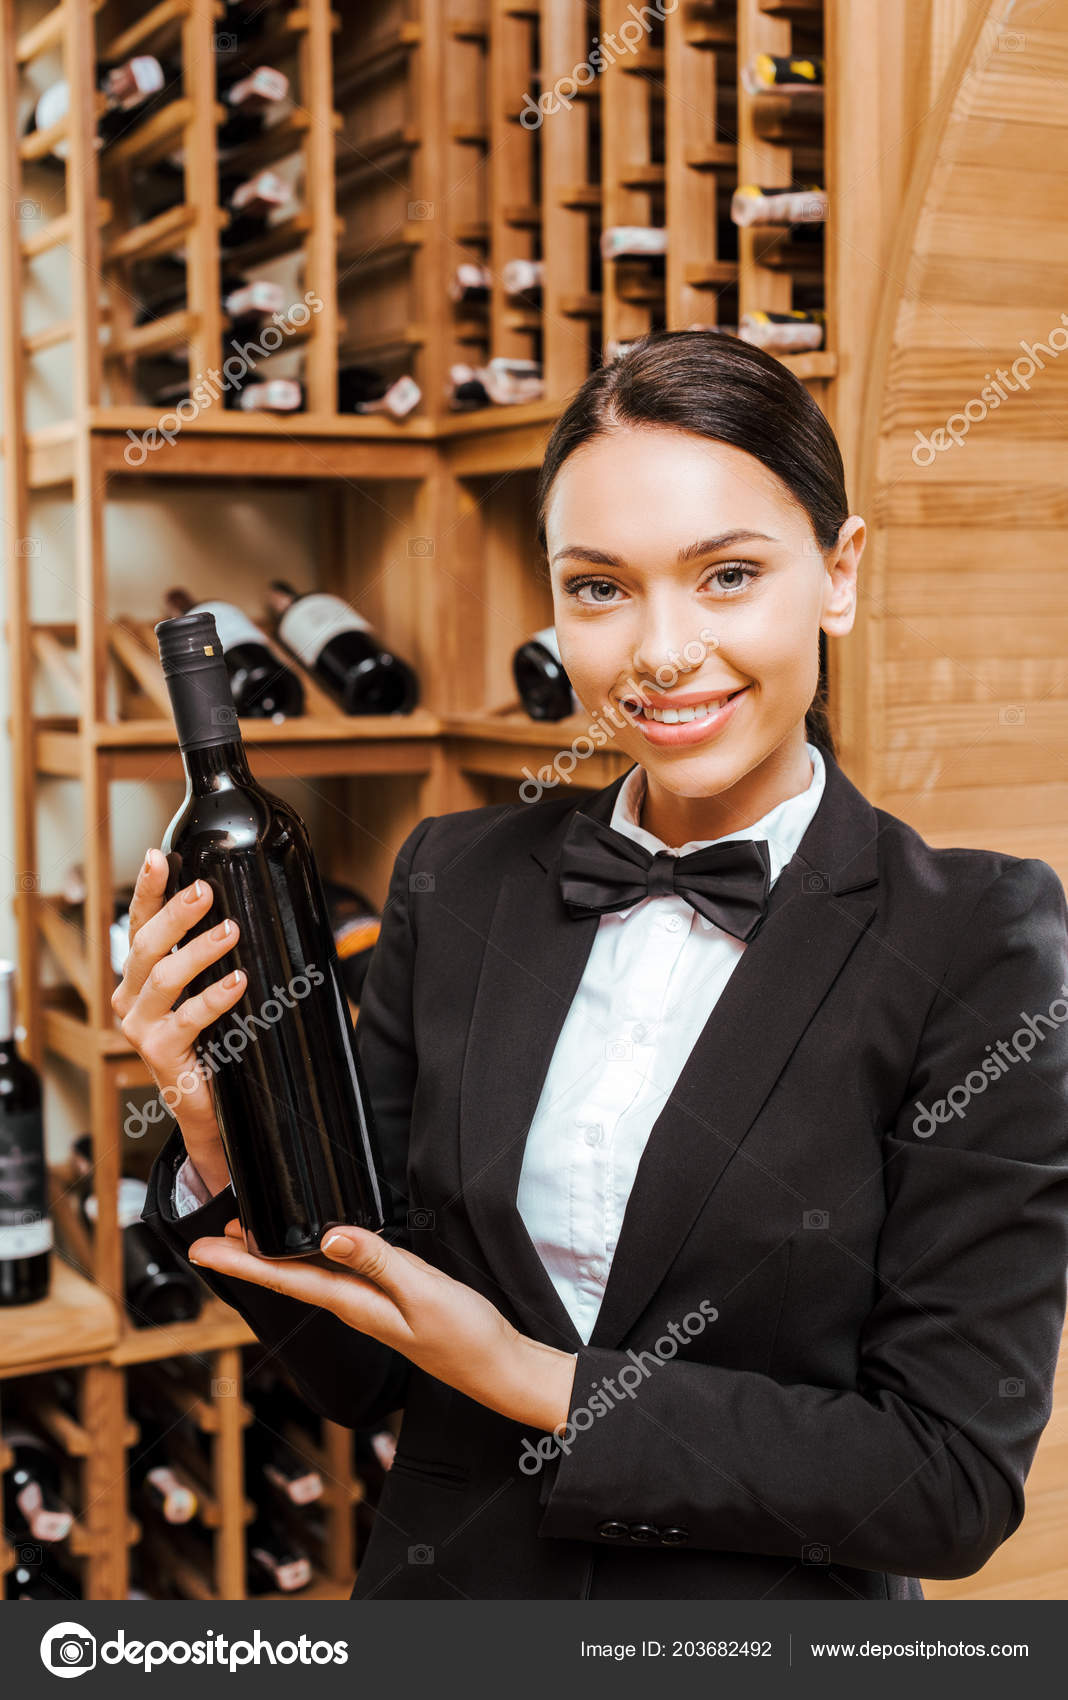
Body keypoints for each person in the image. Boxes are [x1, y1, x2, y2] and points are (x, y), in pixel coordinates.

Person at [118, 330, 1068, 1601]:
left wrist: (525, 1375)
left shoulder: (979, 941)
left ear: (839, 574)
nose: (659, 652)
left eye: (727, 575)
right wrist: (219, 1131)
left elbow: (946, 1479)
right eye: (600, 587)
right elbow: (360, 1370)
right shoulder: (452, 879)